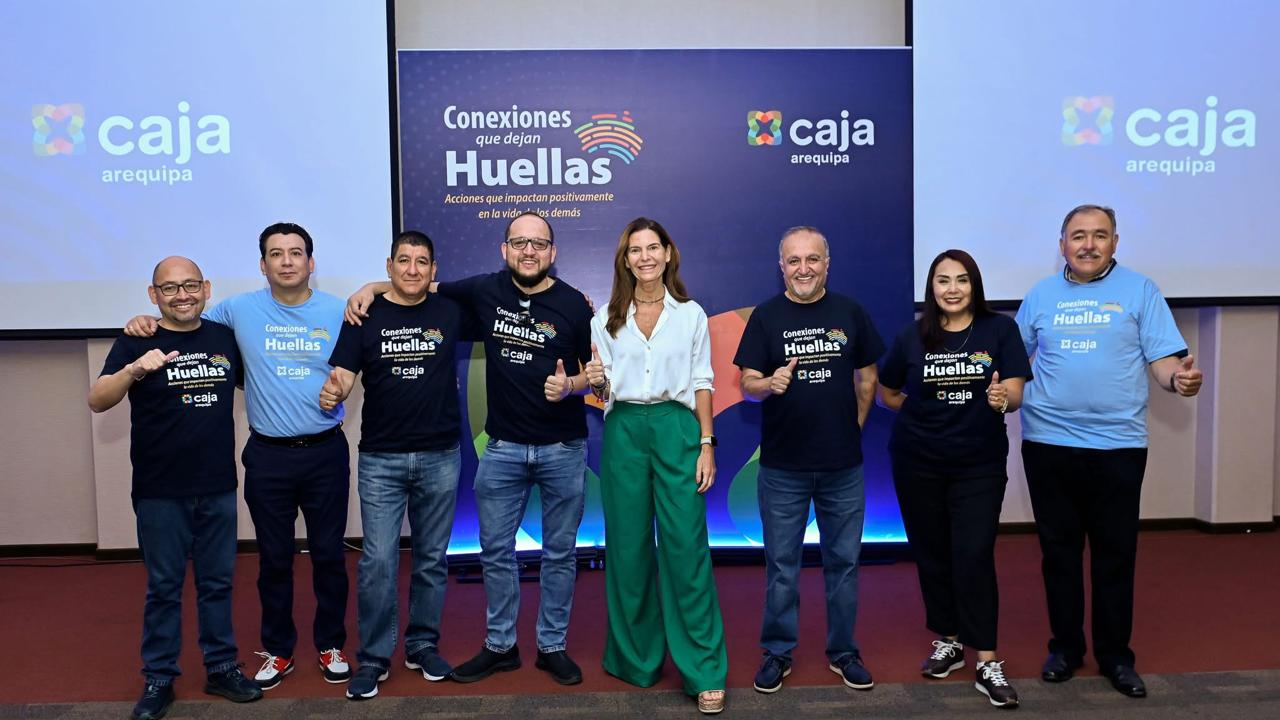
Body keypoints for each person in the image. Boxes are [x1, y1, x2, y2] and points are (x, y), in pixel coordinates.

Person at [346, 211, 594, 685]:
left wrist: (572, 386)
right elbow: (417, 285)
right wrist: (371, 288)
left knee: (560, 553)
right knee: (495, 552)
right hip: (501, 449)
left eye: (538, 244)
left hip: (562, 448)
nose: (528, 251)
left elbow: (598, 376)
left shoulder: (575, 305)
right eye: (519, 242)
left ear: (553, 252)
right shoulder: (484, 290)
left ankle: (552, 646)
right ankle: (500, 646)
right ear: (504, 250)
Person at [125, 223, 352, 690]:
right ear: (262, 265)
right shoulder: (237, 310)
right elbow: (182, 319)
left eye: (296, 253)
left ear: (311, 262)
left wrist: (370, 293)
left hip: (326, 452)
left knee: (329, 556)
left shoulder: (339, 309)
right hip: (268, 456)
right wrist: (141, 322)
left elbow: (370, 336)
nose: (286, 261)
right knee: (274, 560)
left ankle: (331, 644)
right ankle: (279, 650)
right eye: (276, 254)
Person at [1016, 204, 1203, 698]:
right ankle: (1065, 648)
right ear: (1062, 244)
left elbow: (1164, 361)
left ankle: (1116, 656)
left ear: (1115, 243)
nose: (1088, 245)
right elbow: (1014, 360)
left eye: (1100, 235)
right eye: (1078, 235)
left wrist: (1179, 380)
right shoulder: (1040, 295)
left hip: (1118, 446)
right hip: (1048, 442)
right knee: (1058, 554)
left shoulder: (1141, 291)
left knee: (1115, 555)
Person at [90, 257, 262, 720]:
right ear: (154, 295)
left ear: (206, 288)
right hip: (160, 490)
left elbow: (260, 379)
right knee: (164, 587)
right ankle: (159, 678)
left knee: (217, 583)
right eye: (169, 288)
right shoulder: (137, 340)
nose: (181, 295)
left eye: (190, 285)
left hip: (218, 485)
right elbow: (98, 399)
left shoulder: (224, 338)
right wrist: (134, 369)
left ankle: (221, 668)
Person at [584, 218, 728, 714]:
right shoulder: (604, 319)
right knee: (627, 549)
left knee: (687, 549)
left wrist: (706, 443)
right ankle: (636, 659)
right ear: (625, 260)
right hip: (624, 429)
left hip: (677, 428)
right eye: (635, 250)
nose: (644, 257)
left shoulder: (691, 315)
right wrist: (596, 382)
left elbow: (703, 382)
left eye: (653, 248)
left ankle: (704, 670)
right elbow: (604, 390)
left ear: (668, 254)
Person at [320, 231, 472, 699]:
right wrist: (334, 390)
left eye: (421, 261)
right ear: (389, 266)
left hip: (440, 455)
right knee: (379, 562)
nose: (412, 269)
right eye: (403, 261)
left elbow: (503, 299)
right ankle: (374, 657)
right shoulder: (364, 314)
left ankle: (422, 645)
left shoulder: (450, 310)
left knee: (431, 559)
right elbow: (344, 374)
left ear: (434, 270)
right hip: (381, 459)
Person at [732, 226, 885, 694]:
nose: (804, 268)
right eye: (794, 260)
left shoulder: (850, 312)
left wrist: (852, 428)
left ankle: (844, 651)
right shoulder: (766, 316)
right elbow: (747, 385)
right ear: (781, 266)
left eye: (812, 259)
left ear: (826, 263)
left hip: (843, 468)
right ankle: (778, 652)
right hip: (783, 469)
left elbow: (868, 379)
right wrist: (769, 384)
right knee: (782, 566)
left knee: (845, 563)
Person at [877, 249, 1031, 708]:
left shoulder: (999, 330)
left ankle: (987, 660)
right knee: (933, 554)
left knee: (973, 554)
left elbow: (1016, 392)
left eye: (961, 280)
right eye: (943, 280)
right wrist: (920, 413)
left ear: (974, 285)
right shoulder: (912, 336)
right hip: (917, 462)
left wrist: (1003, 398)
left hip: (978, 464)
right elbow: (887, 392)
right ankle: (949, 639)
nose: (952, 289)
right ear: (932, 288)